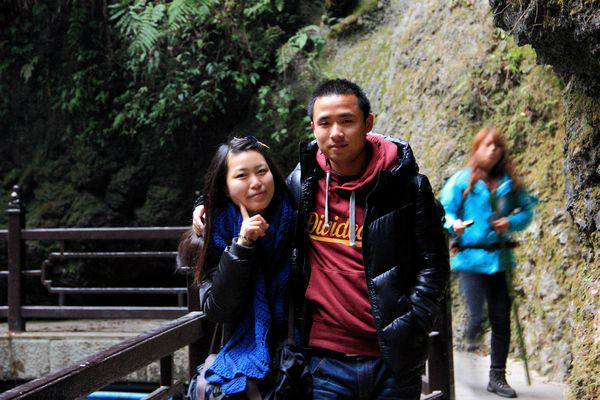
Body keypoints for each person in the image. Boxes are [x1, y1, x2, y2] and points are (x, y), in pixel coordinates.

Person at [195, 79, 450, 399]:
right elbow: (252, 192)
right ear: (313, 127)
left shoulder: (406, 186)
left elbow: (434, 262)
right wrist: (204, 206)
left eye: (347, 121)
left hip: (393, 360)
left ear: (368, 123)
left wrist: (415, 320)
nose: (336, 133)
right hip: (323, 360)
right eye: (325, 123)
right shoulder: (303, 183)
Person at [187, 136, 295, 399]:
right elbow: (218, 309)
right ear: (225, 187)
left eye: (262, 171)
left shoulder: (298, 215)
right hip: (240, 355)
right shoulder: (210, 235)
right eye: (241, 176)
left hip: (299, 358)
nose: (256, 183)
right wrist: (242, 245)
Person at [439, 126, 537, 398]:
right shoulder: (462, 181)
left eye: (497, 145)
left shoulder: (509, 183)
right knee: (477, 316)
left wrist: (511, 222)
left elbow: (527, 210)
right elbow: (445, 210)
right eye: (487, 145)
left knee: (501, 319)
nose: (493, 149)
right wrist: (454, 225)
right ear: (477, 149)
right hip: (470, 260)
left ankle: (497, 377)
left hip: (501, 260)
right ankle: (467, 348)